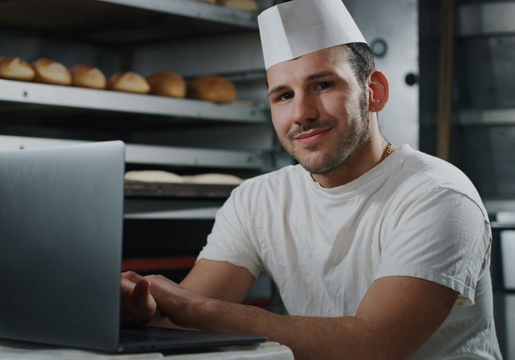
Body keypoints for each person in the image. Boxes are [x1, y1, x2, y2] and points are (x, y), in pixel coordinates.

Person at [121, 0, 503, 358]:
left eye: (322, 85)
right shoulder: (258, 199)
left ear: (375, 92)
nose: (302, 113)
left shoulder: (436, 195)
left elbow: (373, 347)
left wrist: (194, 307)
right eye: (283, 95)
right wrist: (142, 306)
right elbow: (177, 321)